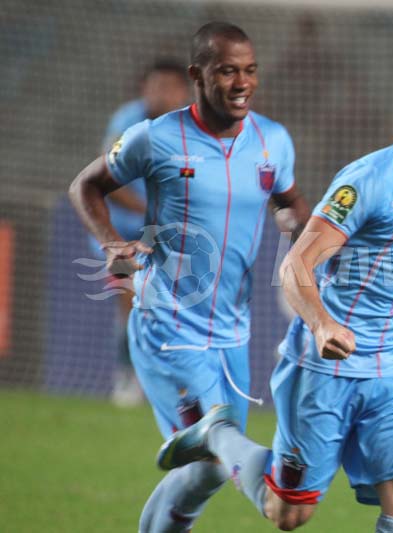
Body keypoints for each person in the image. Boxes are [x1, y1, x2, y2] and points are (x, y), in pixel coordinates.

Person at [158, 43, 393, 533]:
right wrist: (322, 324)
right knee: (289, 513)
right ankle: (218, 434)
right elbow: (296, 266)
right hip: (326, 368)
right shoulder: (370, 180)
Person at [68, 22, 309, 532]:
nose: (242, 83)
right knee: (219, 442)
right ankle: (273, 484)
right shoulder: (155, 137)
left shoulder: (273, 141)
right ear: (198, 75)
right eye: (228, 71)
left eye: (250, 70)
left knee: (207, 472)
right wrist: (111, 242)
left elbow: (290, 204)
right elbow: (84, 187)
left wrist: (298, 231)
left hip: (232, 332)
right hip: (167, 322)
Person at [93, 59, 190, 407]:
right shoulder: (127, 121)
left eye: (169, 87)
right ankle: (126, 375)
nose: (161, 94)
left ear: (184, 92)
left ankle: (169, 379)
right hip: (120, 227)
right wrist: (147, 209)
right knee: (130, 297)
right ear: (143, 88)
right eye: (155, 86)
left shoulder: (191, 128)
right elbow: (107, 183)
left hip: (161, 229)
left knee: (174, 303)